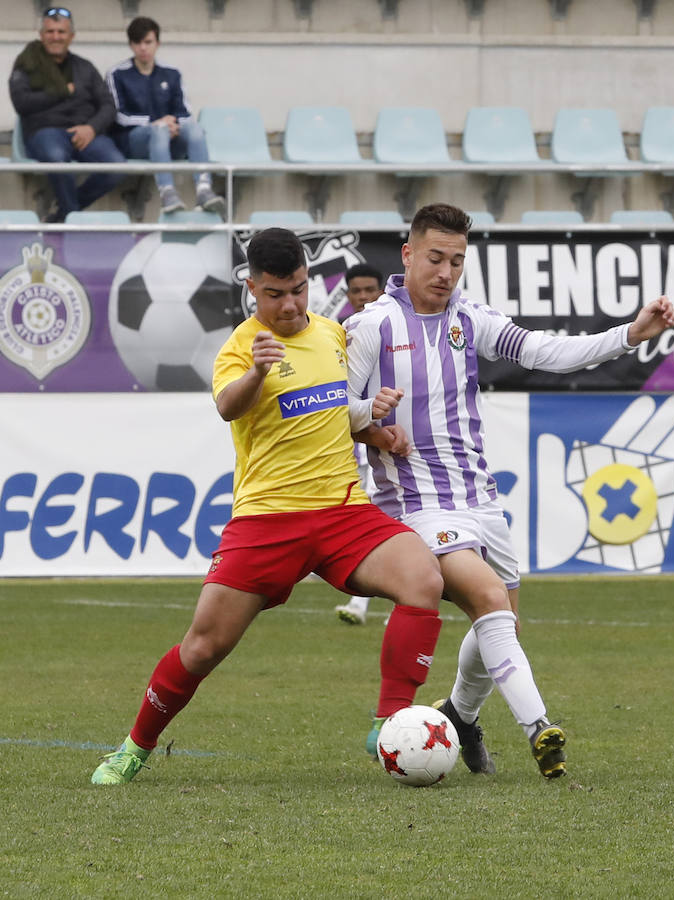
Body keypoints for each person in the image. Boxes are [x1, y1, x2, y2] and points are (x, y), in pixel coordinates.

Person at [91, 228, 445, 785]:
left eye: (300, 290)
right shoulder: (240, 347)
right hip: (268, 518)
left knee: (423, 580)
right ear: (252, 288)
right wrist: (257, 370)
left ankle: (389, 722)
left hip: (341, 510)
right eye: (276, 293)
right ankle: (134, 747)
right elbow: (229, 408)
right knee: (203, 647)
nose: (290, 304)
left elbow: (333, 410)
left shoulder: (333, 334)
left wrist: (375, 426)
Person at [345, 203, 674, 779]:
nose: (446, 272)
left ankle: (461, 716)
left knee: (501, 624)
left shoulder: (470, 319)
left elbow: (547, 352)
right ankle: (539, 728)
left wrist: (630, 334)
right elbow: (333, 414)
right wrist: (370, 426)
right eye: (434, 258)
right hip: (417, 505)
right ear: (407, 254)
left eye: (456, 261)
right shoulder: (371, 326)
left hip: (481, 499)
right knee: (491, 602)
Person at [8, 7, 126, 222]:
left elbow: (108, 106)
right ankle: (72, 219)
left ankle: (66, 213)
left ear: (71, 36)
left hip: (86, 133)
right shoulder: (27, 64)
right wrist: (58, 93)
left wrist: (91, 128)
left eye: (61, 32)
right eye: (50, 32)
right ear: (41, 35)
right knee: (56, 158)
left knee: (116, 166)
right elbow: (21, 103)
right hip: (45, 133)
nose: (56, 37)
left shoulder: (85, 67)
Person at [106, 16, 224, 216]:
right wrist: (155, 123)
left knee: (195, 129)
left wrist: (172, 123)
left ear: (157, 43)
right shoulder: (117, 74)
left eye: (148, 42)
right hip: (134, 141)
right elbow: (119, 116)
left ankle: (204, 190)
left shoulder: (171, 73)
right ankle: (167, 193)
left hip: (169, 138)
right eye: (138, 43)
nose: (143, 48)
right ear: (131, 45)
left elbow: (185, 113)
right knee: (158, 130)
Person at [334, 263, 385, 625]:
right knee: (370, 521)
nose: (364, 297)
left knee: (395, 521)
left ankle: (366, 604)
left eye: (370, 289)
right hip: (358, 443)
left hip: (394, 439)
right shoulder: (338, 335)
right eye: (357, 291)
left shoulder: (395, 326)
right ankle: (361, 603)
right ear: (348, 295)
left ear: (382, 290)